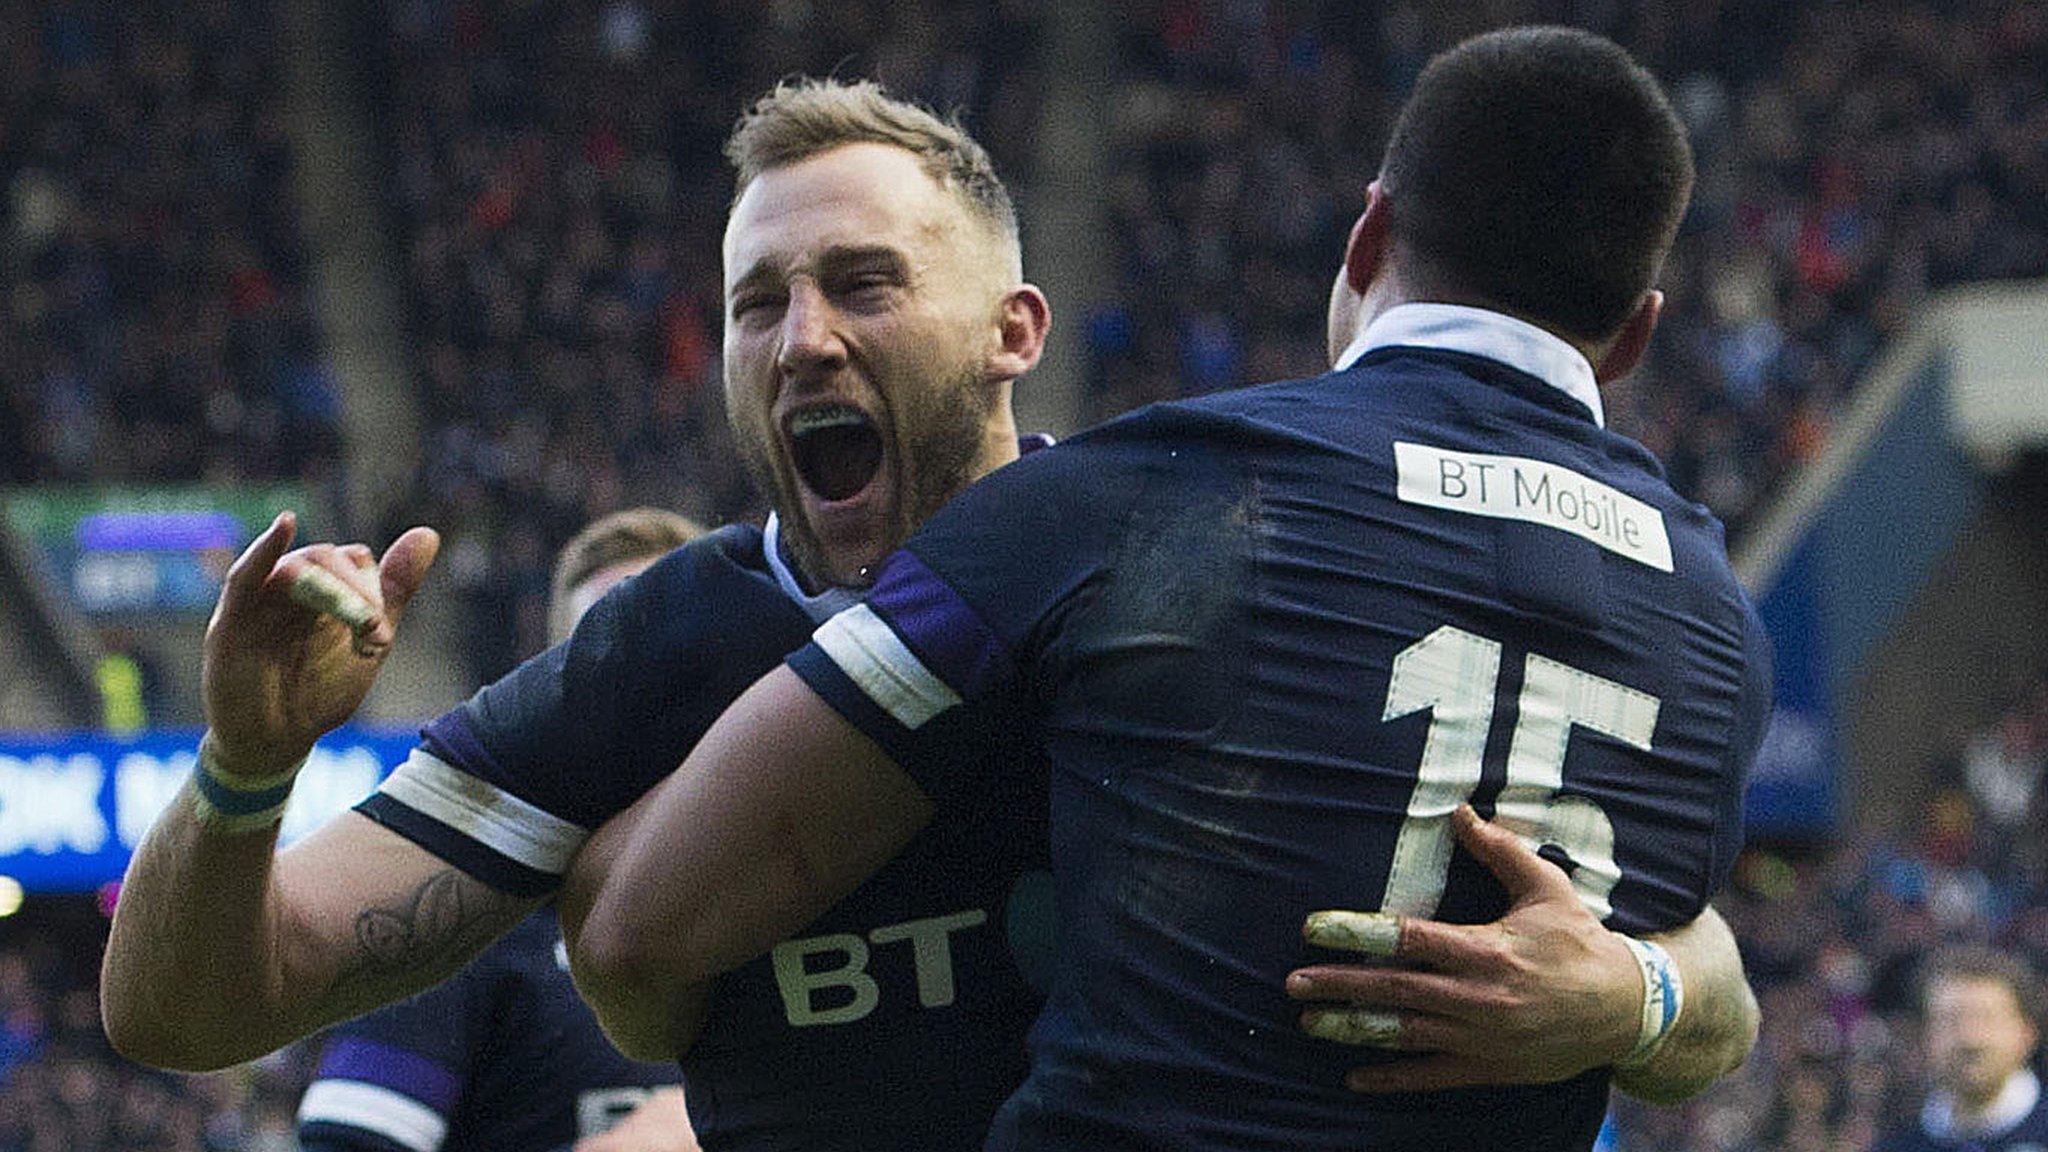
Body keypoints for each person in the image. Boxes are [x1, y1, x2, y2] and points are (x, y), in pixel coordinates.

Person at [102, 76, 1754, 1150]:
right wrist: (245, 764)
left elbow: (1645, 921)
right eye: (759, 302)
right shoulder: (649, 649)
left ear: (1014, 328)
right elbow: (181, 1007)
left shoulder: (1194, 555)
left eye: (863, 284)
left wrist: (1642, 994)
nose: (801, 337)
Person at [578, 28, 1769, 1152]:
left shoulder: (1156, 494)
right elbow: (1700, 977)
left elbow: (640, 943)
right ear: (1634, 335)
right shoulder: (1718, 622)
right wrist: (1640, 994)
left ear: (1365, 239)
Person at [295, 509, 701, 1152]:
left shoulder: (815, 916)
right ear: (565, 692)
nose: (645, 688)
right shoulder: (464, 923)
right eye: (610, 657)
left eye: (676, 653)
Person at [1879, 947, 2048, 1152]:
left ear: (2027, 1033)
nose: (1970, 1039)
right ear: (1925, 1037)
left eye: (1988, 1019)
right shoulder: (1896, 1144)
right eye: (1951, 1021)